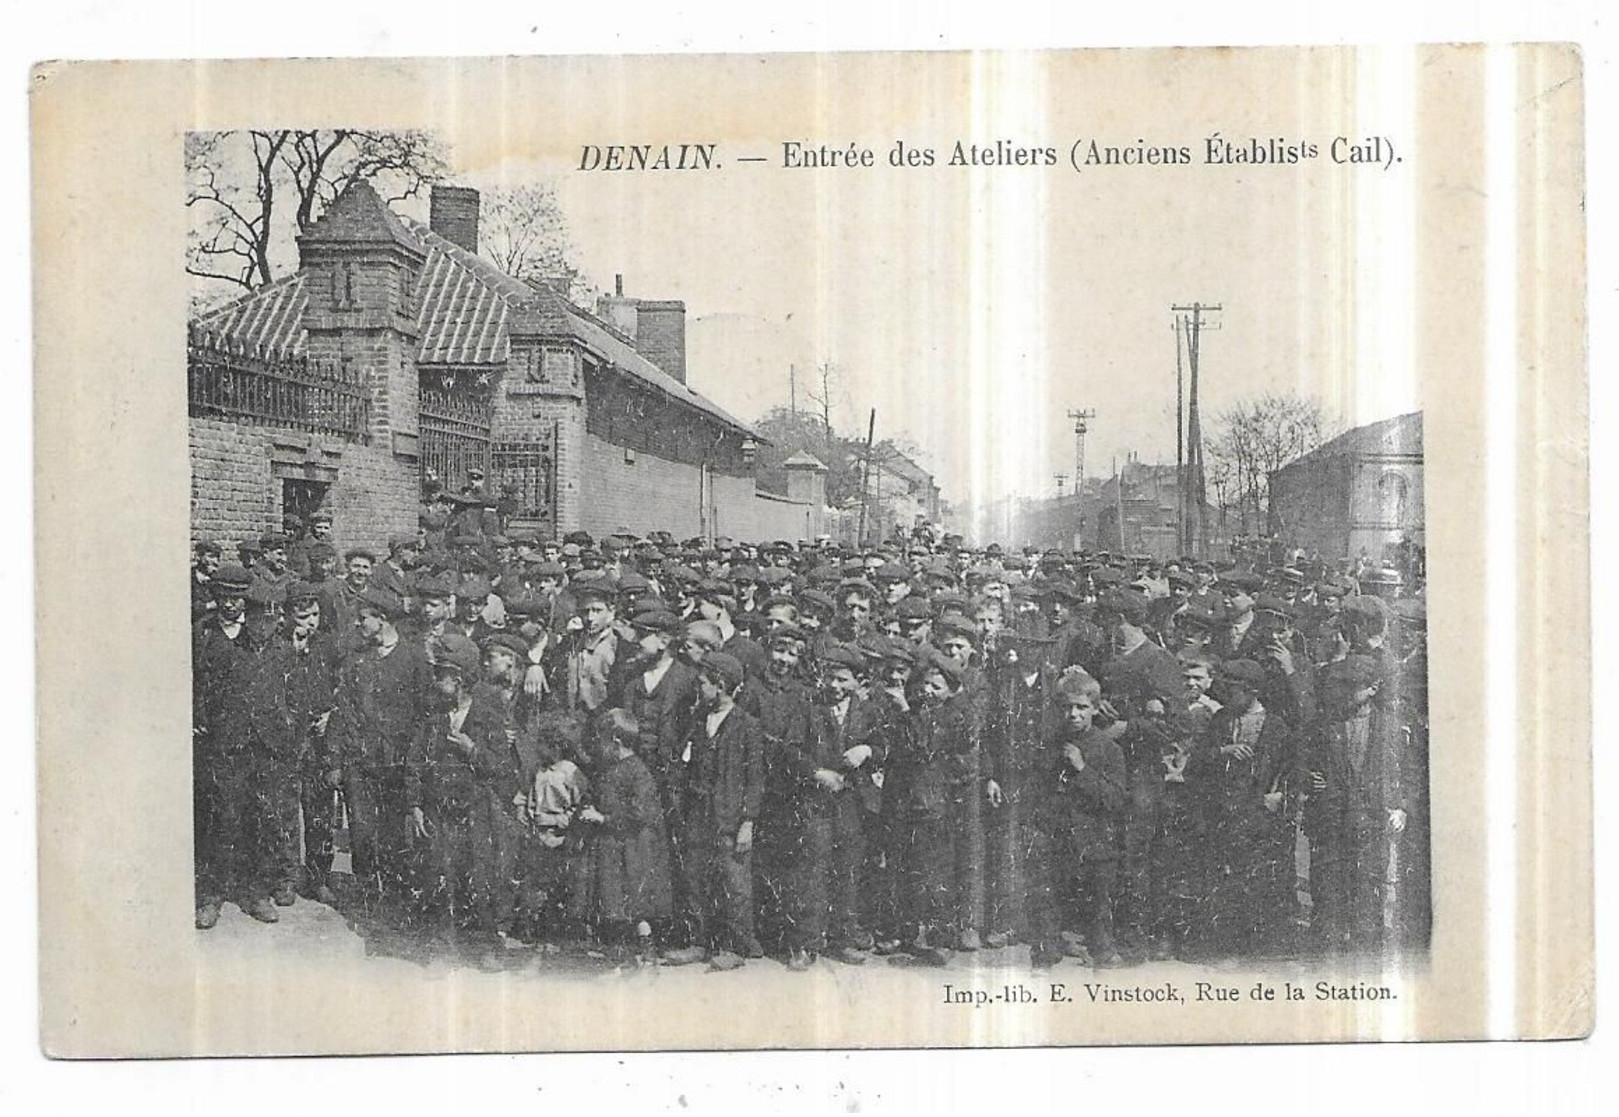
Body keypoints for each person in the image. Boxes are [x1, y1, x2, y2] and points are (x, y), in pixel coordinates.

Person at [405, 632, 523, 961]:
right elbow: (415, 760)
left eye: (439, 673)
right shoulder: (433, 714)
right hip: (440, 810)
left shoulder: (488, 713)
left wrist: (472, 749)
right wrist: (414, 804)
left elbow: (502, 766)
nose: (433, 680)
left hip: (477, 811)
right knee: (440, 875)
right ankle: (442, 945)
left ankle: (487, 945)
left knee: (480, 878)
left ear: (457, 679)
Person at [326, 585, 435, 923]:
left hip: (397, 764)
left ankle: (395, 897)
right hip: (360, 761)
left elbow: (424, 715)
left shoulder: (415, 659)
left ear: (382, 619)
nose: (358, 626)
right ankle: (366, 896)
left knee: (392, 833)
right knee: (361, 830)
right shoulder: (358, 659)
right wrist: (335, 762)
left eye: (363, 620)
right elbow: (342, 710)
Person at [663, 652, 765, 970]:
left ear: (720, 686)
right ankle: (697, 941)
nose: (699, 688)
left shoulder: (748, 727)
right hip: (697, 816)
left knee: (734, 885)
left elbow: (755, 779)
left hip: (730, 820)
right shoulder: (698, 721)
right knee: (694, 880)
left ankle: (735, 947)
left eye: (704, 683)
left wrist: (748, 822)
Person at [1027, 669, 1127, 969]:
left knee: (1098, 905)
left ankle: (1103, 955)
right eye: (1067, 708)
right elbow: (1037, 791)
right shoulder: (1049, 745)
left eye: (1081, 707)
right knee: (1046, 899)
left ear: (1095, 709)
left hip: (1095, 840)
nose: (1073, 714)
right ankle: (1045, 957)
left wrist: (1082, 769)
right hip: (1057, 836)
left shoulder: (1109, 749)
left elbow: (1115, 799)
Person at [572, 708, 674, 967]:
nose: (597, 746)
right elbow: (596, 795)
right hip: (610, 846)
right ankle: (619, 950)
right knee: (611, 901)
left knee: (634, 902)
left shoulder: (638, 771)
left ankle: (645, 948)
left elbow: (640, 812)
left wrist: (604, 818)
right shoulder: (608, 768)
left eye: (601, 740)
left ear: (615, 741)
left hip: (631, 848)